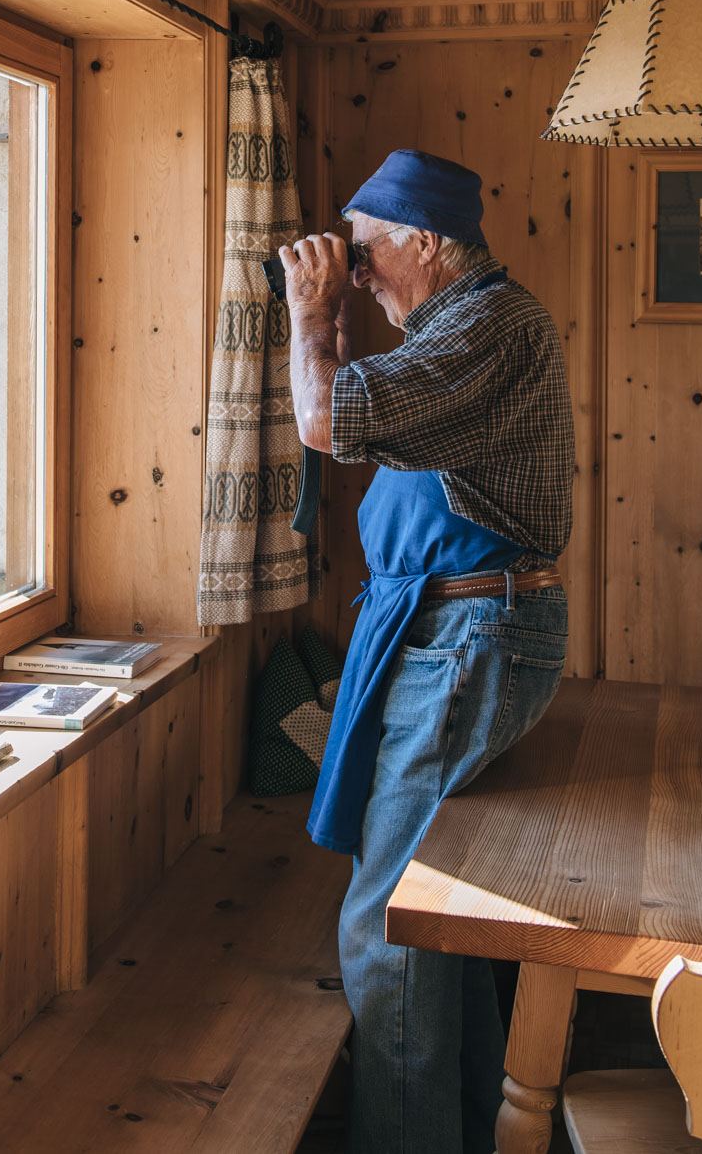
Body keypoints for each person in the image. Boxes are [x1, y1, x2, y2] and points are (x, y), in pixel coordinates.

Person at [277, 149, 574, 1154]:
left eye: (362, 253)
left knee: (388, 925)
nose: (351, 272)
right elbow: (357, 417)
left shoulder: (488, 325)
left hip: (469, 636)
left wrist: (309, 314)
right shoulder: (456, 329)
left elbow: (325, 417)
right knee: (438, 920)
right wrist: (333, 310)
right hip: (454, 629)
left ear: (424, 242)